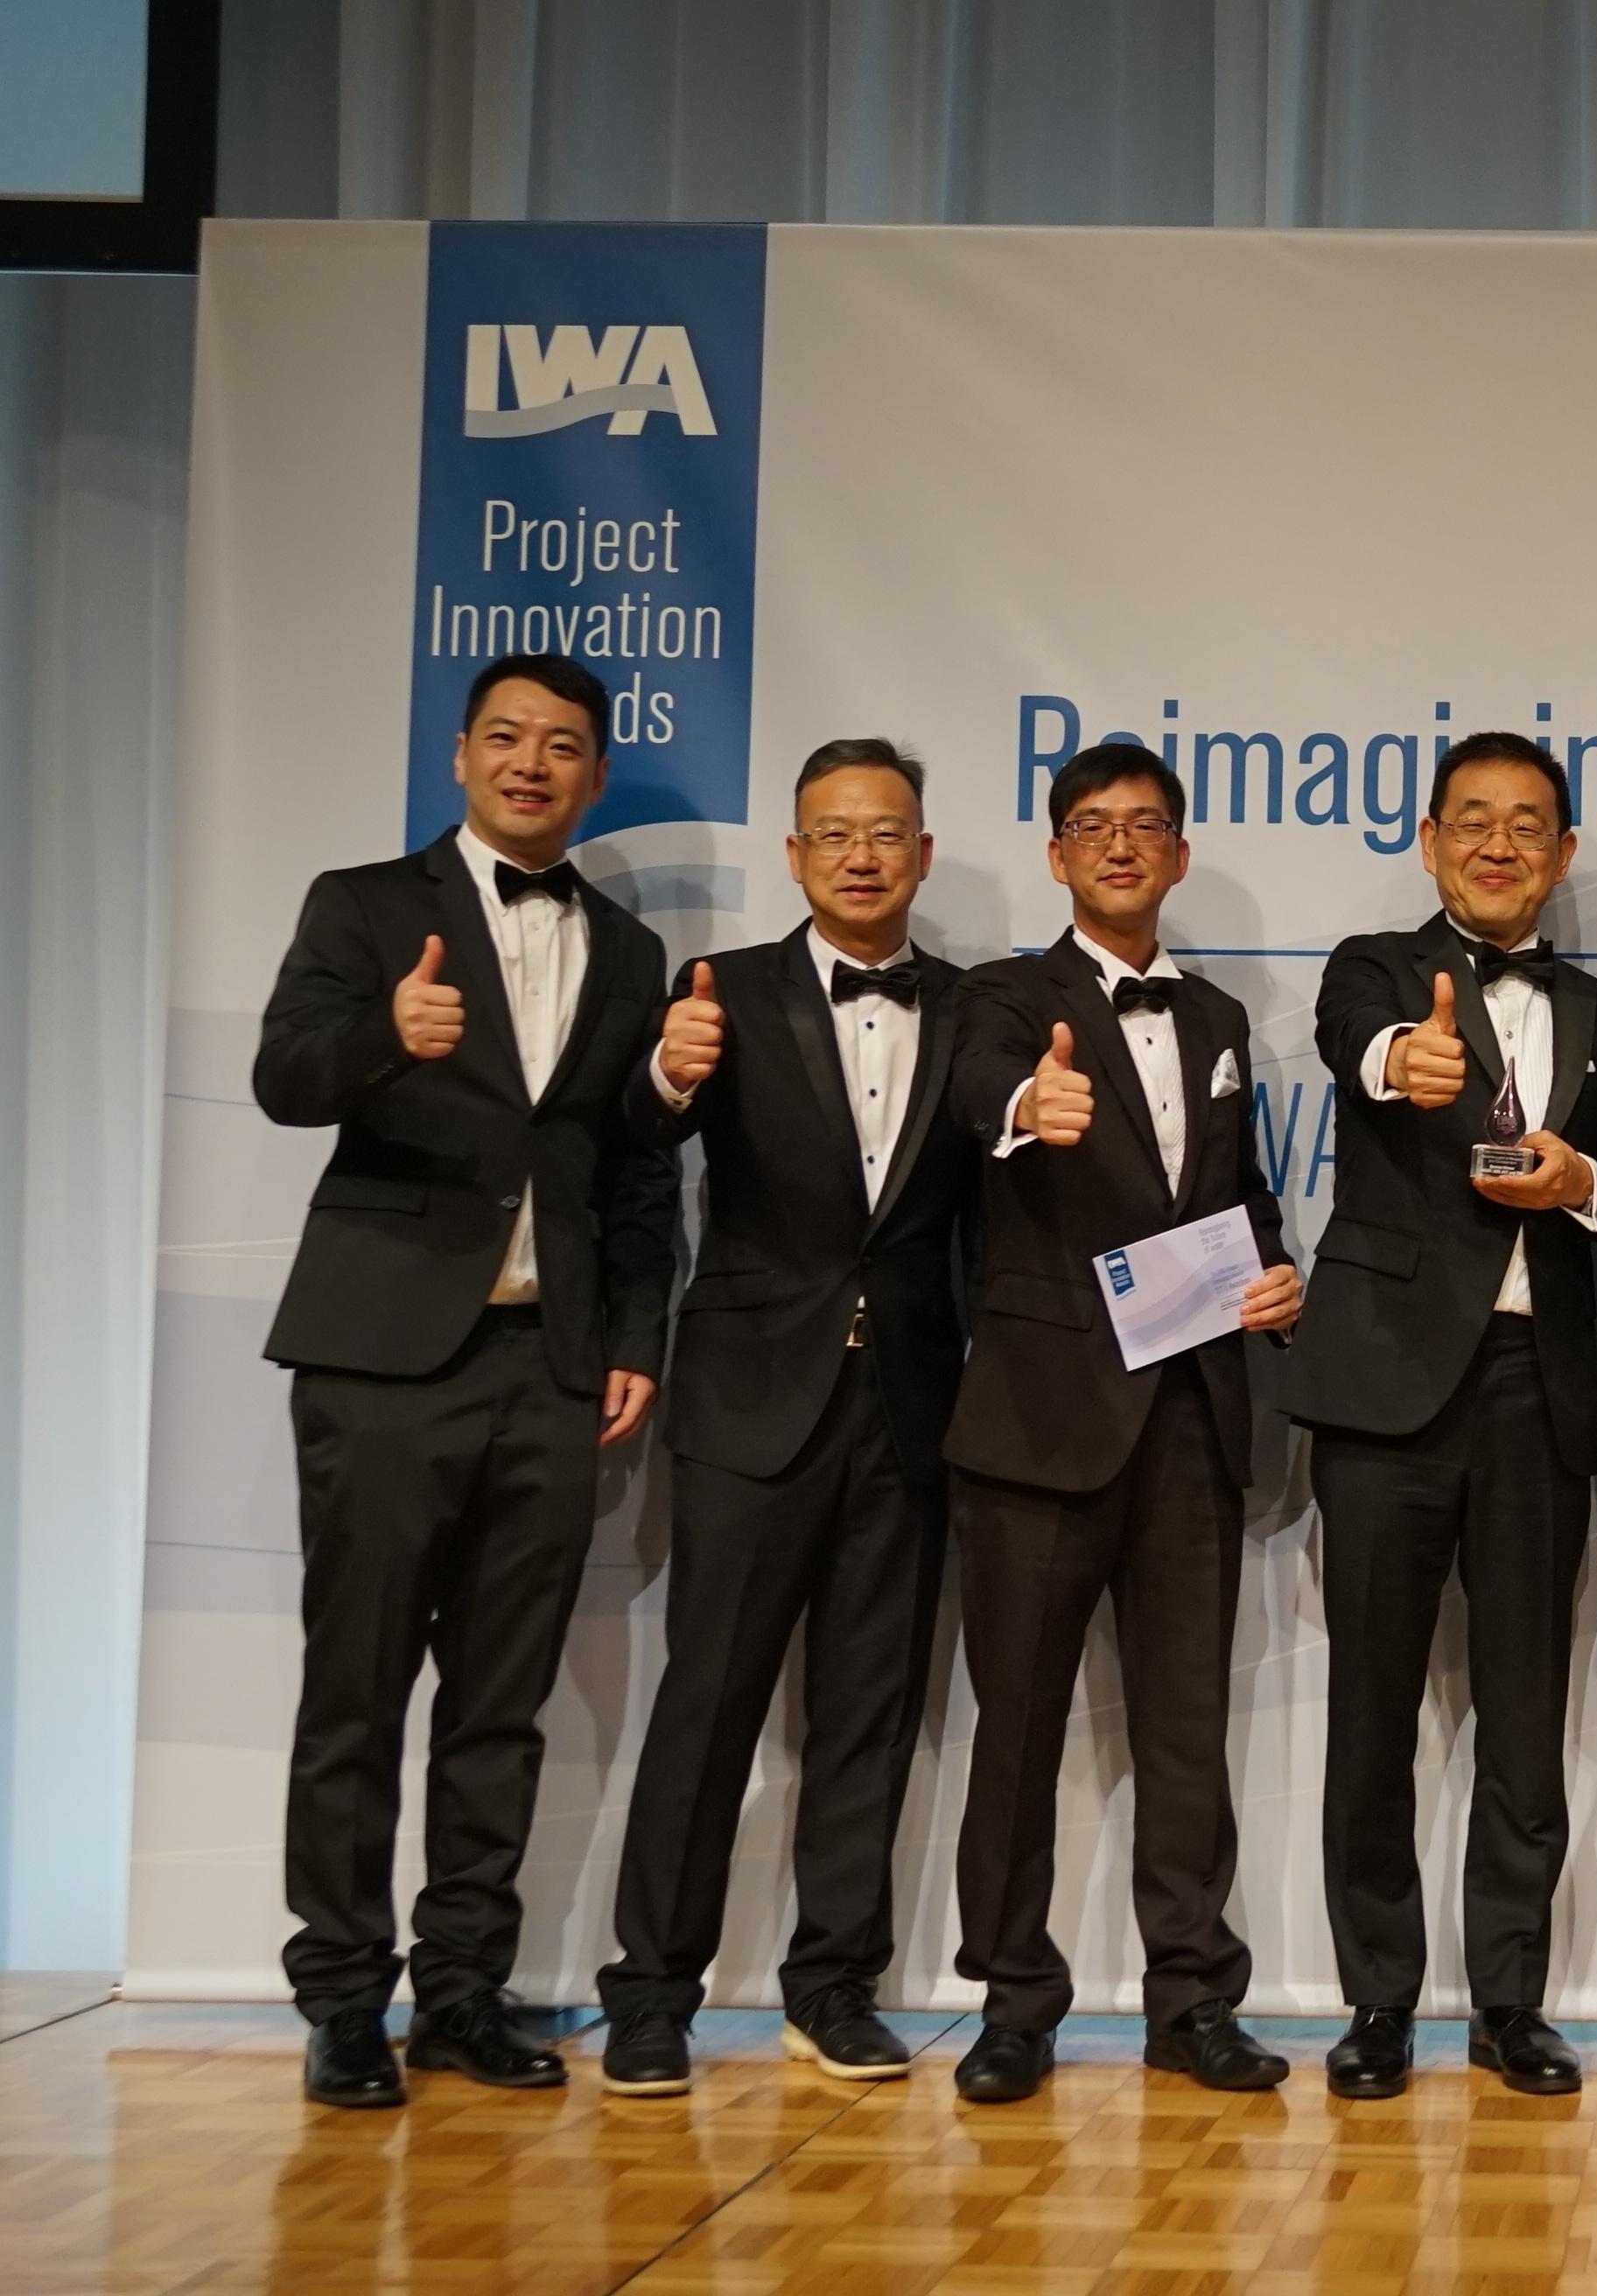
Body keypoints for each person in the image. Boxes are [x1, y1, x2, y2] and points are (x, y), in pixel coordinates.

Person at [252, 652, 678, 2108]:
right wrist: (387, 1037)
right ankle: (339, 2000)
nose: (532, 763)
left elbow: (635, 1169)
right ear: (460, 757)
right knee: (357, 1691)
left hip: (549, 1373)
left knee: (502, 1702)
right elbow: (283, 1076)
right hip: (380, 1359)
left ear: (596, 774)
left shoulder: (626, 952)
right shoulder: (364, 906)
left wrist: (632, 1339)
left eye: (564, 745)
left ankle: (465, 1995)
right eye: (506, 737)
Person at [592, 738, 981, 2097]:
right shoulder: (724, 994)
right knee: (706, 1703)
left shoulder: (978, 1007)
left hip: (913, 1405)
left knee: (869, 1714)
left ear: (923, 854)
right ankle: (651, 1997)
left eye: (887, 833)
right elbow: (629, 1150)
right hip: (751, 1398)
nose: (863, 854)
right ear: (798, 856)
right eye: (834, 834)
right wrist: (666, 1081)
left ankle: (834, 1988)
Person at [935, 739, 1306, 2106]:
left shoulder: (1213, 1021)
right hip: (1037, 1422)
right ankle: (1016, 2004)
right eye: (1093, 827)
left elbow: (1237, 1193)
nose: (1121, 847)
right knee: (1019, 1727)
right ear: (1056, 854)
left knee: (1184, 1730)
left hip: (1193, 1418)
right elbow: (974, 1091)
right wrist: (1029, 1103)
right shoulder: (1000, 996)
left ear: (1181, 851)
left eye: (1147, 826)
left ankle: (1193, 1996)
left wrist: (1275, 1273)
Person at [1279, 732, 1597, 2102]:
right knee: (1370, 1711)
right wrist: (1400, 1065)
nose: (1498, 844)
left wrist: (1580, 1182)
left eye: (1527, 824)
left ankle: (1512, 2002)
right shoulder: (1375, 966)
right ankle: (1377, 2002)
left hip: (1537, 1398)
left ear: (1564, 852)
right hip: (1383, 1393)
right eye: (1473, 820)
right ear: (1430, 839)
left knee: (1527, 1716)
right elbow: (1359, 1049)